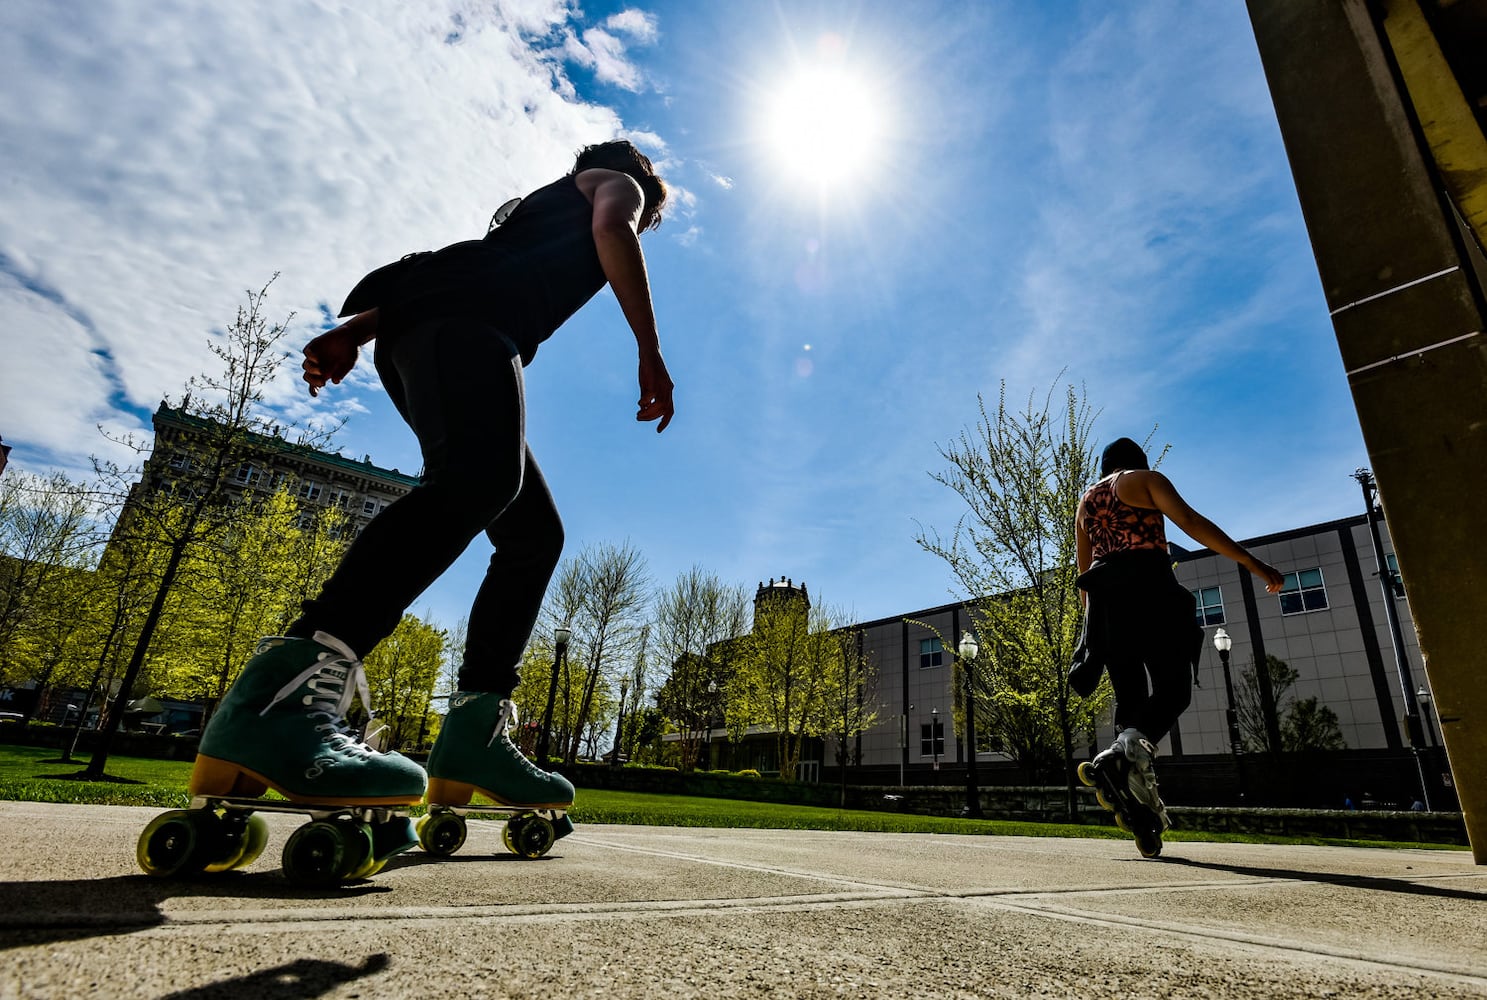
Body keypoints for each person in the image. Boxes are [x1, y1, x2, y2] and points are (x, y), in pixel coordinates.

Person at [190, 141, 674, 843]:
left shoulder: (532, 220)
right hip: (464, 334)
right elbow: (612, 230)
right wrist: (648, 349)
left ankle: (474, 734)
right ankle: (282, 699)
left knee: (531, 532)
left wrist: (353, 331)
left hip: (437, 330)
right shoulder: (615, 183)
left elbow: (461, 270)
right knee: (480, 481)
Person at [1072, 437, 1283, 840]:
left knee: (1131, 705)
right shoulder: (1144, 479)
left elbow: (1083, 572)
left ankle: (1138, 802)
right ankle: (1121, 757)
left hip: (1103, 604)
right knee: (1174, 689)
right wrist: (1251, 562)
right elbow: (1191, 522)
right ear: (1138, 461)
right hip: (1148, 588)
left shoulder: (1084, 504)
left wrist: (1092, 629)